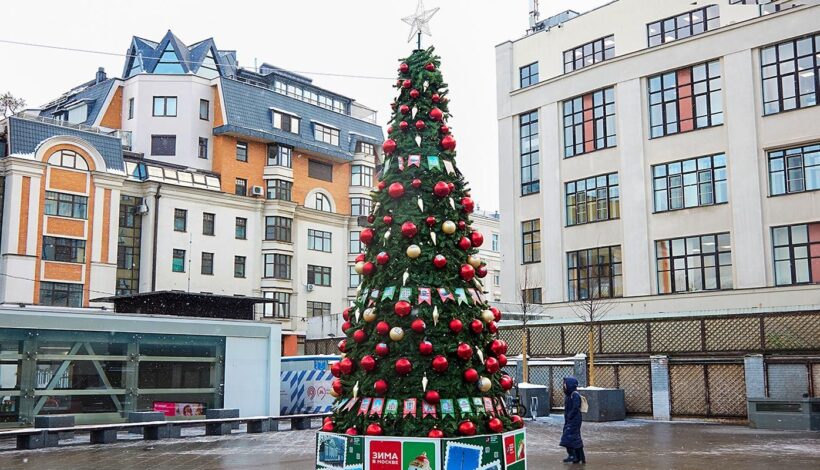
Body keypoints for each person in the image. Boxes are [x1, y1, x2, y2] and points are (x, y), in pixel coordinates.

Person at [559, 376, 586, 464]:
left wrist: (570, 416)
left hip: (574, 420)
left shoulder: (574, 395)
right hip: (571, 419)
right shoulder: (569, 395)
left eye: (565, 384)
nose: (564, 386)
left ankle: (572, 455)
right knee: (575, 438)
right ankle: (580, 457)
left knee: (568, 437)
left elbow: (575, 407)